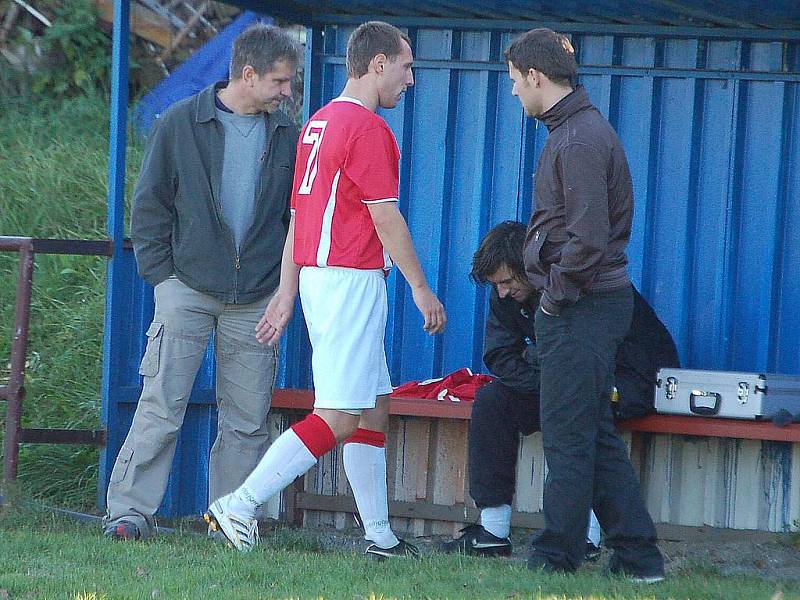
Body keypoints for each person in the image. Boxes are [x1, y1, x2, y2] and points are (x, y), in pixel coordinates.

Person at [204, 21, 446, 558]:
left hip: (327, 278)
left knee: (374, 406)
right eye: (406, 68)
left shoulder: (317, 122)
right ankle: (239, 505)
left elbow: (299, 217)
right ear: (377, 64)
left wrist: (288, 291)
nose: (410, 80)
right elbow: (386, 219)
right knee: (337, 416)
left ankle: (380, 536)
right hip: (348, 280)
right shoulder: (367, 129)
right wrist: (422, 290)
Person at [103, 24, 301, 541]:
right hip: (185, 289)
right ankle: (127, 514)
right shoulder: (179, 123)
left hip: (255, 296)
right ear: (248, 74)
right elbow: (148, 209)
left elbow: (295, 218)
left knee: (246, 420)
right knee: (160, 406)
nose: (288, 92)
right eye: (281, 81)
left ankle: (230, 520)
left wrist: (281, 289)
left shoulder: (289, 134)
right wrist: (163, 281)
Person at [505, 29, 666, 581]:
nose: (513, 94)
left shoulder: (575, 140)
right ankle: (638, 557)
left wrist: (550, 303)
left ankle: (557, 556)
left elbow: (589, 239)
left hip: (581, 308)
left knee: (568, 437)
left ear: (535, 77)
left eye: (513, 81)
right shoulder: (577, 132)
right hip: (589, 306)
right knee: (592, 434)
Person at [442, 221, 678, 563]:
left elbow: (596, 357)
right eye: (496, 285)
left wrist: (547, 373)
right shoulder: (506, 295)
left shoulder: (576, 285)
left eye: (507, 282)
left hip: (627, 380)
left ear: (531, 270)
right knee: (493, 401)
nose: (503, 292)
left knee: (578, 414)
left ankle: (586, 536)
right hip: (563, 381)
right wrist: (547, 383)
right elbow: (499, 355)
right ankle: (492, 531)